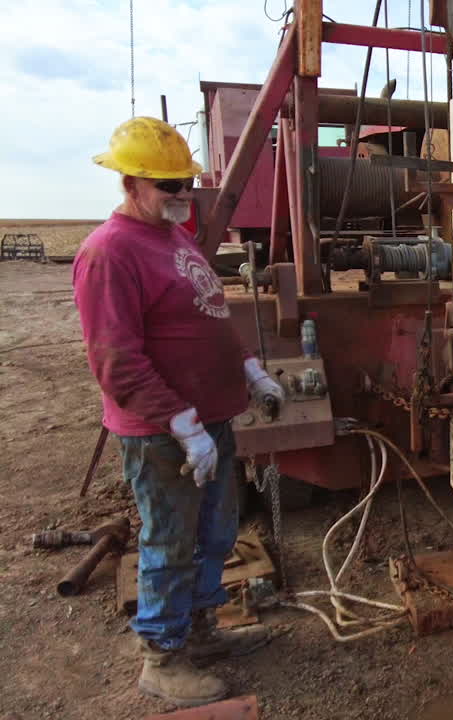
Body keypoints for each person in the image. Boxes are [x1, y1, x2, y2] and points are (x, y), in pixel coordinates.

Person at [74, 117, 283, 707]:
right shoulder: (109, 253)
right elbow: (116, 361)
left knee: (215, 534)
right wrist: (182, 425)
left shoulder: (174, 239)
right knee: (170, 540)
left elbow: (210, 320)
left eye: (186, 183)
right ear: (131, 182)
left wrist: (251, 371)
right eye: (168, 186)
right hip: (165, 434)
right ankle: (162, 658)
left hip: (209, 424)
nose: (181, 195)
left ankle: (200, 631)